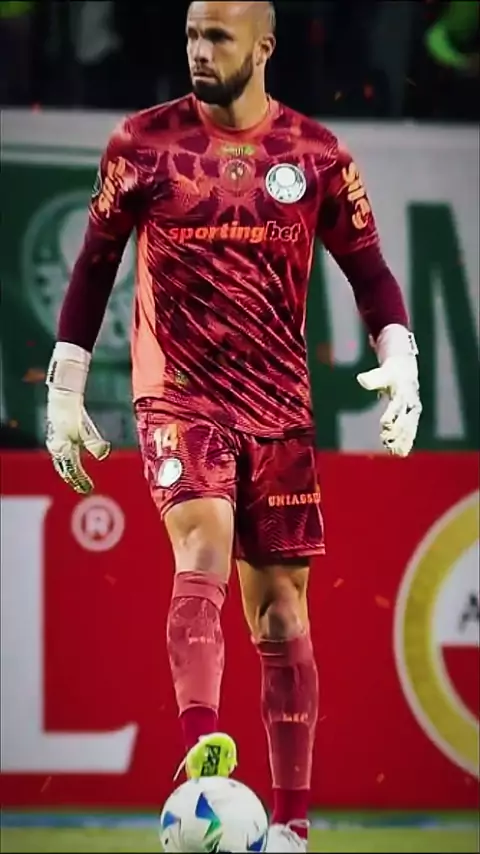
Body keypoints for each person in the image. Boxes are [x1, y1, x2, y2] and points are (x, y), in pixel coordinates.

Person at [44, 2, 422, 850]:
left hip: (279, 405)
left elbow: (369, 271)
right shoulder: (143, 145)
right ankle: (204, 759)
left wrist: (401, 358)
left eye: (217, 37)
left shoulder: (315, 155)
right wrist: (65, 390)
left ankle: (291, 825)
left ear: (264, 46)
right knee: (202, 547)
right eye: (190, 35)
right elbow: (93, 267)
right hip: (179, 395)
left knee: (283, 613)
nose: (199, 51)